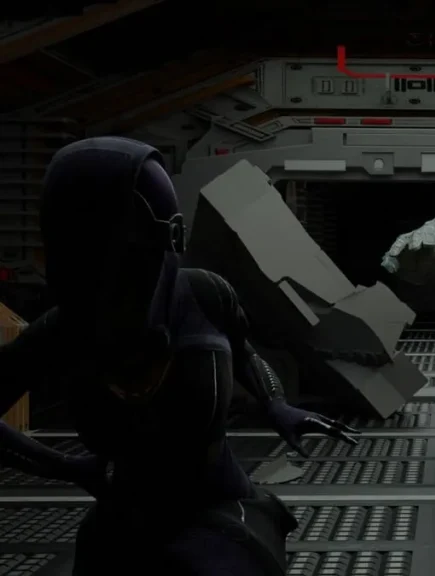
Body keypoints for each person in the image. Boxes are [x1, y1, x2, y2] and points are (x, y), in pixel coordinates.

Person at [0, 137, 359, 575]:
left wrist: (275, 403)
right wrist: (66, 467)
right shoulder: (60, 330)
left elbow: (245, 355)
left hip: (220, 505)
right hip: (128, 515)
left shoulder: (206, 295)